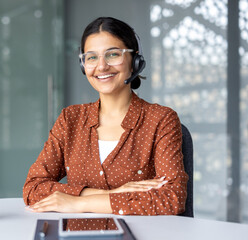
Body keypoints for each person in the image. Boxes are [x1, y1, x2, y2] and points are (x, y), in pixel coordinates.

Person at [23, 17, 188, 215]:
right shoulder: (70, 119)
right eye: (91, 57)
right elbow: (33, 188)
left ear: (135, 61)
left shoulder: (161, 119)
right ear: (84, 65)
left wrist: (78, 203)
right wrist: (112, 194)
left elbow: (172, 199)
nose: (101, 66)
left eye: (113, 55)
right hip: (78, 234)